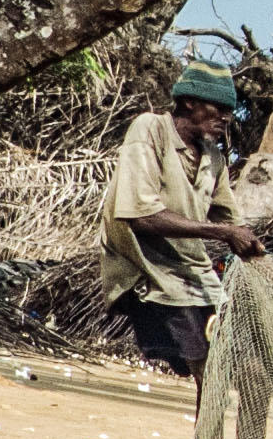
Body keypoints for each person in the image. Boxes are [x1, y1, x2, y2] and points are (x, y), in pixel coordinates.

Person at [104, 64, 263, 381]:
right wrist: (223, 232)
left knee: (254, 371)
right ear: (190, 102)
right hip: (150, 275)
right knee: (210, 367)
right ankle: (207, 433)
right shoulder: (150, 130)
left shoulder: (214, 158)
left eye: (229, 111)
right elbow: (141, 215)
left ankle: (233, 434)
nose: (226, 118)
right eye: (218, 108)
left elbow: (232, 221)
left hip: (197, 279)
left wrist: (259, 255)